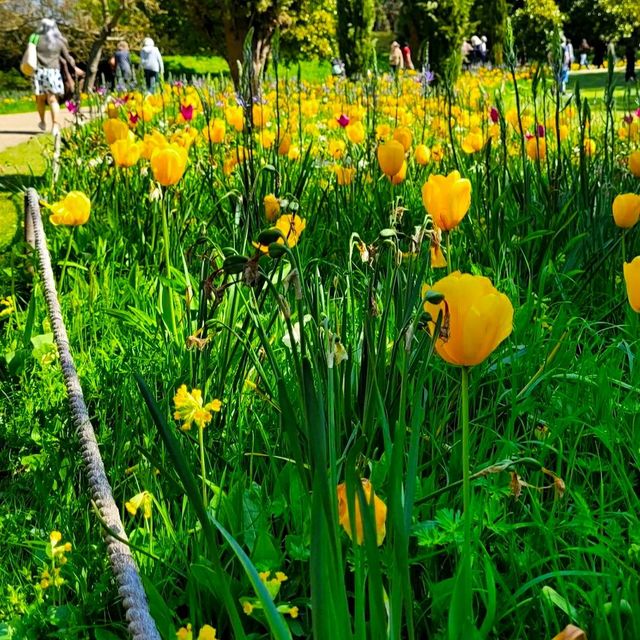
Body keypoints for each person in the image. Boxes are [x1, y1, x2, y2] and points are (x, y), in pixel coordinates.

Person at [31, 18, 83, 135]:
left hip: (38, 72)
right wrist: (74, 68)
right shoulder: (58, 41)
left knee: (40, 99)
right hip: (53, 73)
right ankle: (55, 125)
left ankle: (43, 122)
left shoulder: (35, 39)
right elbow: (68, 58)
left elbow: (29, 53)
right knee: (52, 99)